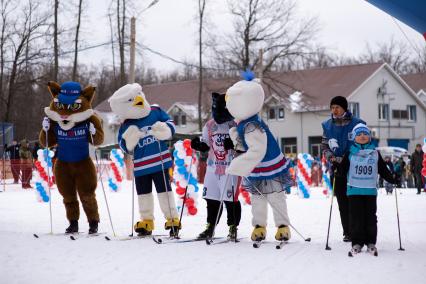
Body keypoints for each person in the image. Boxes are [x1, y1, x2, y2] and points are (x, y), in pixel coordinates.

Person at [225, 71, 293, 242]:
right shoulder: (244, 123)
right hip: (258, 167)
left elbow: (257, 150)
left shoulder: (252, 125)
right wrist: (235, 138)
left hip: (269, 164)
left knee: (275, 196)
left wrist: (237, 165)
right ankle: (259, 225)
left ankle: (283, 226)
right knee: (257, 197)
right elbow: (245, 146)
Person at [109, 83, 181, 237]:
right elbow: (123, 145)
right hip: (141, 167)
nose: (138, 101)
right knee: (143, 195)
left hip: (160, 162)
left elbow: (171, 124)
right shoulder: (127, 124)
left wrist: (165, 130)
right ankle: (147, 220)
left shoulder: (155, 111)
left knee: (165, 192)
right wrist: (130, 140)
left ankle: (172, 219)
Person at [191, 92, 241, 240]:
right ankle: (210, 227)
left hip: (230, 168)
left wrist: (234, 144)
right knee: (211, 199)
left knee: (230, 200)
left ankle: (233, 227)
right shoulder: (210, 125)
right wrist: (199, 146)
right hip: (212, 168)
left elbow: (243, 145)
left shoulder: (235, 125)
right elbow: (206, 145)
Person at [338, 124, 395, 255]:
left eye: (365, 134)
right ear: (354, 137)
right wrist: (338, 168)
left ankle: (371, 242)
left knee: (370, 218)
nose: (362, 136)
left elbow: (382, 169)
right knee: (356, 218)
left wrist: (392, 179)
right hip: (354, 191)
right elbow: (342, 170)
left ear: (369, 137)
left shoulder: (375, 153)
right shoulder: (350, 153)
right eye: (359, 134)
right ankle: (357, 242)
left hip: (370, 191)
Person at [321, 95, 365, 242]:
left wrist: (351, 157)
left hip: (354, 166)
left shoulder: (357, 123)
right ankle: (347, 231)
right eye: (332, 107)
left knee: (355, 200)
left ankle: (358, 229)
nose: (334, 110)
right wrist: (331, 158)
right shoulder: (327, 125)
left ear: (344, 108)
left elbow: (363, 142)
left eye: (337, 107)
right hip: (336, 167)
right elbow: (325, 145)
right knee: (342, 202)